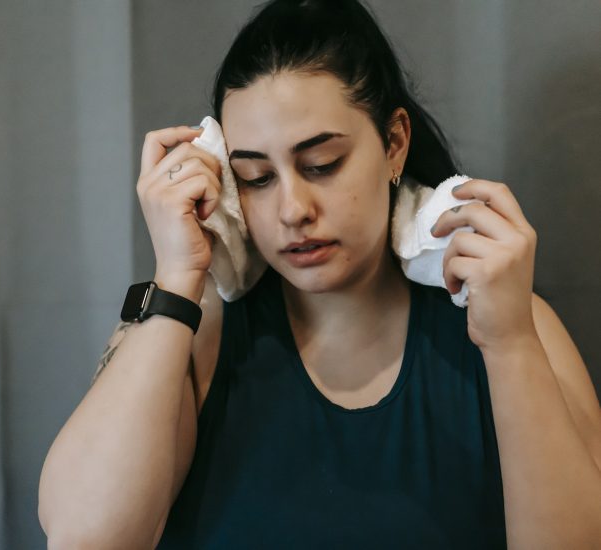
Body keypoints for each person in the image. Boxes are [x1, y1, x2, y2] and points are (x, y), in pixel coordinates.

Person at [38, 0, 601, 548]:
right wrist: (178, 277)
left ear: (394, 143)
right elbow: (85, 537)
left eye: (321, 165)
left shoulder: (507, 326)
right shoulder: (195, 330)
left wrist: (508, 342)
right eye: (257, 177)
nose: (292, 209)